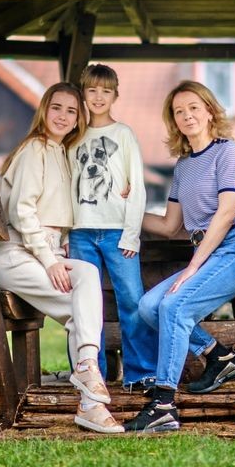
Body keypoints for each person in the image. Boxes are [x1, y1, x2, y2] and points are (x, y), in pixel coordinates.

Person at [124, 81, 235, 433]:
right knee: (148, 307)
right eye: (178, 111)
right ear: (173, 121)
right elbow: (170, 225)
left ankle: (163, 405)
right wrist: (125, 210)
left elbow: (225, 213)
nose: (187, 115)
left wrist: (193, 266)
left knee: (173, 307)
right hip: (210, 254)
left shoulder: (228, 152)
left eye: (193, 107)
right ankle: (219, 357)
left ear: (208, 111)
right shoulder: (183, 167)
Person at [0, 82, 123, 434]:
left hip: (44, 250)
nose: (63, 116)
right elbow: (22, 213)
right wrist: (50, 259)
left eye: (71, 110)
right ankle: (92, 403)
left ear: (80, 117)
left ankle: (85, 370)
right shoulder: (35, 148)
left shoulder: (62, 153)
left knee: (86, 275)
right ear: (43, 110)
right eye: (56, 107)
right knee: (77, 307)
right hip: (19, 255)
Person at [67, 64, 156, 391]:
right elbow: (64, 188)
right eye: (92, 90)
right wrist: (63, 234)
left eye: (106, 90)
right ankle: (91, 376)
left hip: (118, 232)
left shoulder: (124, 135)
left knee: (132, 301)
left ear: (115, 95)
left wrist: (132, 233)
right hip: (80, 233)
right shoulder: (73, 138)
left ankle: (139, 373)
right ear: (83, 94)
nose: (99, 96)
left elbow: (138, 187)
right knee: (84, 306)